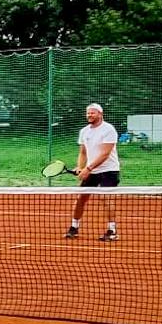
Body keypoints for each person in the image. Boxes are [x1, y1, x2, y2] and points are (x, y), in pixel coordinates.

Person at [65, 102, 120, 242]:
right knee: (81, 199)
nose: (89, 115)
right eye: (88, 112)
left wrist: (88, 169)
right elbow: (83, 152)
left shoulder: (108, 129)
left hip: (109, 170)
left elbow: (105, 154)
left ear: (100, 114)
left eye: (92, 112)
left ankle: (112, 231)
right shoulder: (84, 131)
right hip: (91, 171)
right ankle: (74, 227)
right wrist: (80, 167)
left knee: (105, 197)